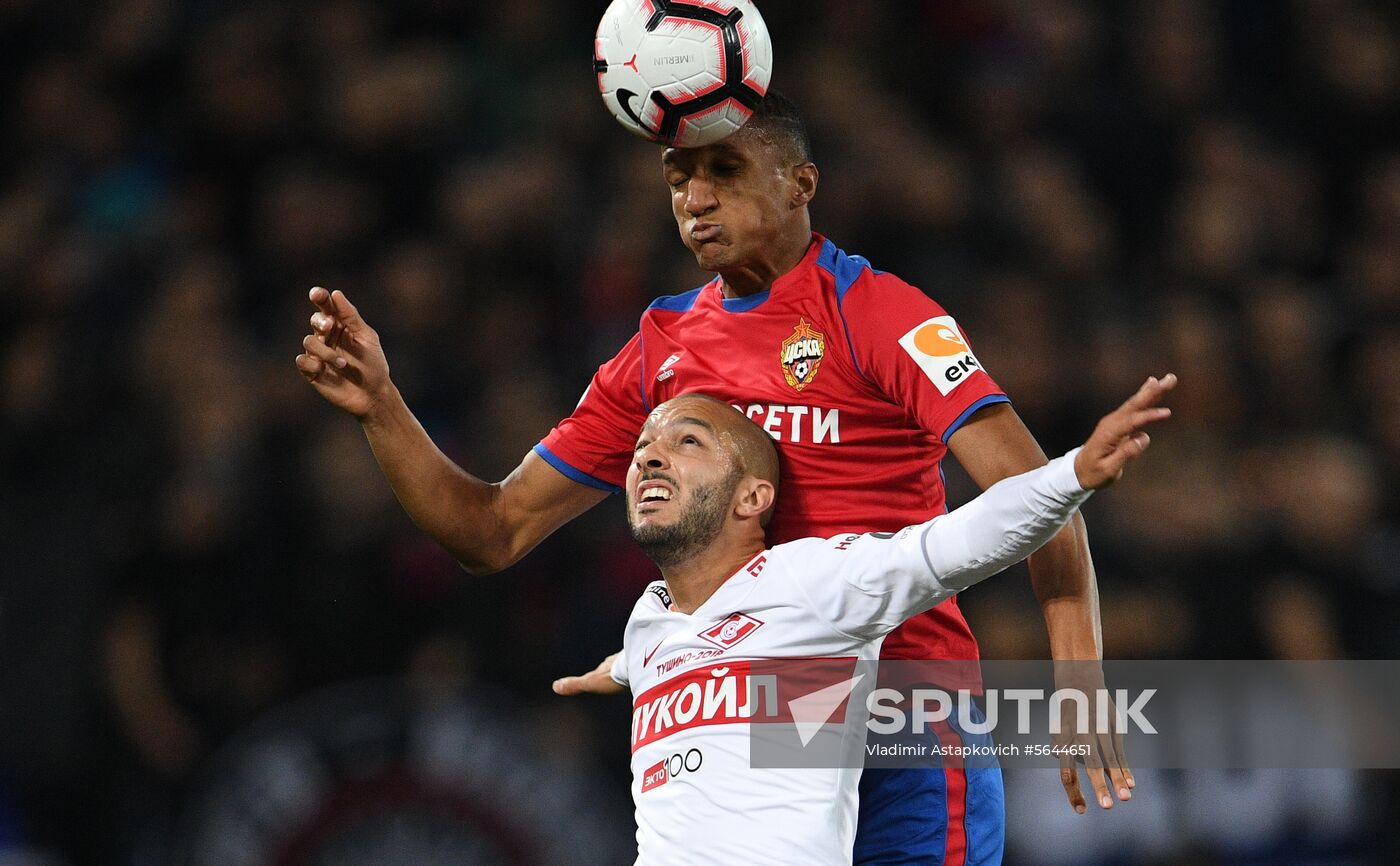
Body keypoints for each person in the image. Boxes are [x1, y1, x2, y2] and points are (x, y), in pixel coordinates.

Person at [295, 92, 1131, 864]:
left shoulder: (879, 313)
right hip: (754, 728)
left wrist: (1079, 674)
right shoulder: (662, 348)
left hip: (903, 714)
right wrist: (383, 408)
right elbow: (493, 529)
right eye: (678, 178)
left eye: (723, 171)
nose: (695, 198)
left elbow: (1036, 499)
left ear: (801, 183)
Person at [608, 377, 1173, 865]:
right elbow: (672, 658)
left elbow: (962, 541)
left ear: (752, 497)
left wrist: (1071, 474)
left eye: (687, 442)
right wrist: (615, 672)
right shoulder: (649, 621)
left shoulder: (811, 586)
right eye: (642, 447)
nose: (648, 458)